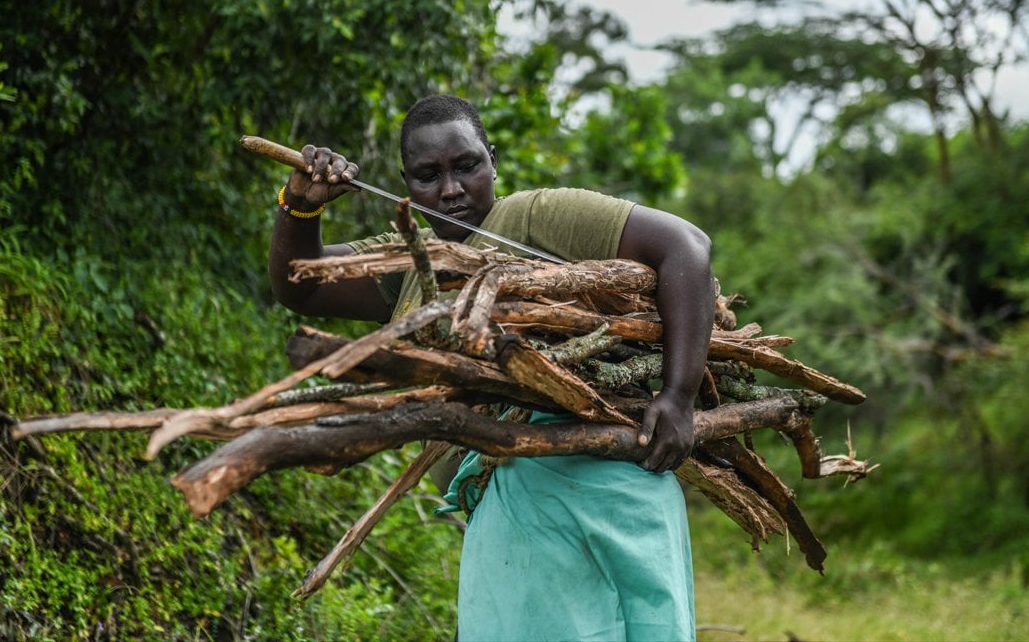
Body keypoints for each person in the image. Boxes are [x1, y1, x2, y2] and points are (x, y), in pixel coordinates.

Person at [269, 94, 715, 641]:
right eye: (428, 176)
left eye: (466, 166)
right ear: (406, 182)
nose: (450, 190)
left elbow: (686, 247)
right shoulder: (412, 259)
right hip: (511, 520)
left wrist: (678, 395)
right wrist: (300, 205)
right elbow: (301, 285)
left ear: (493, 161)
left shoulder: (535, 215)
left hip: (602, 492)